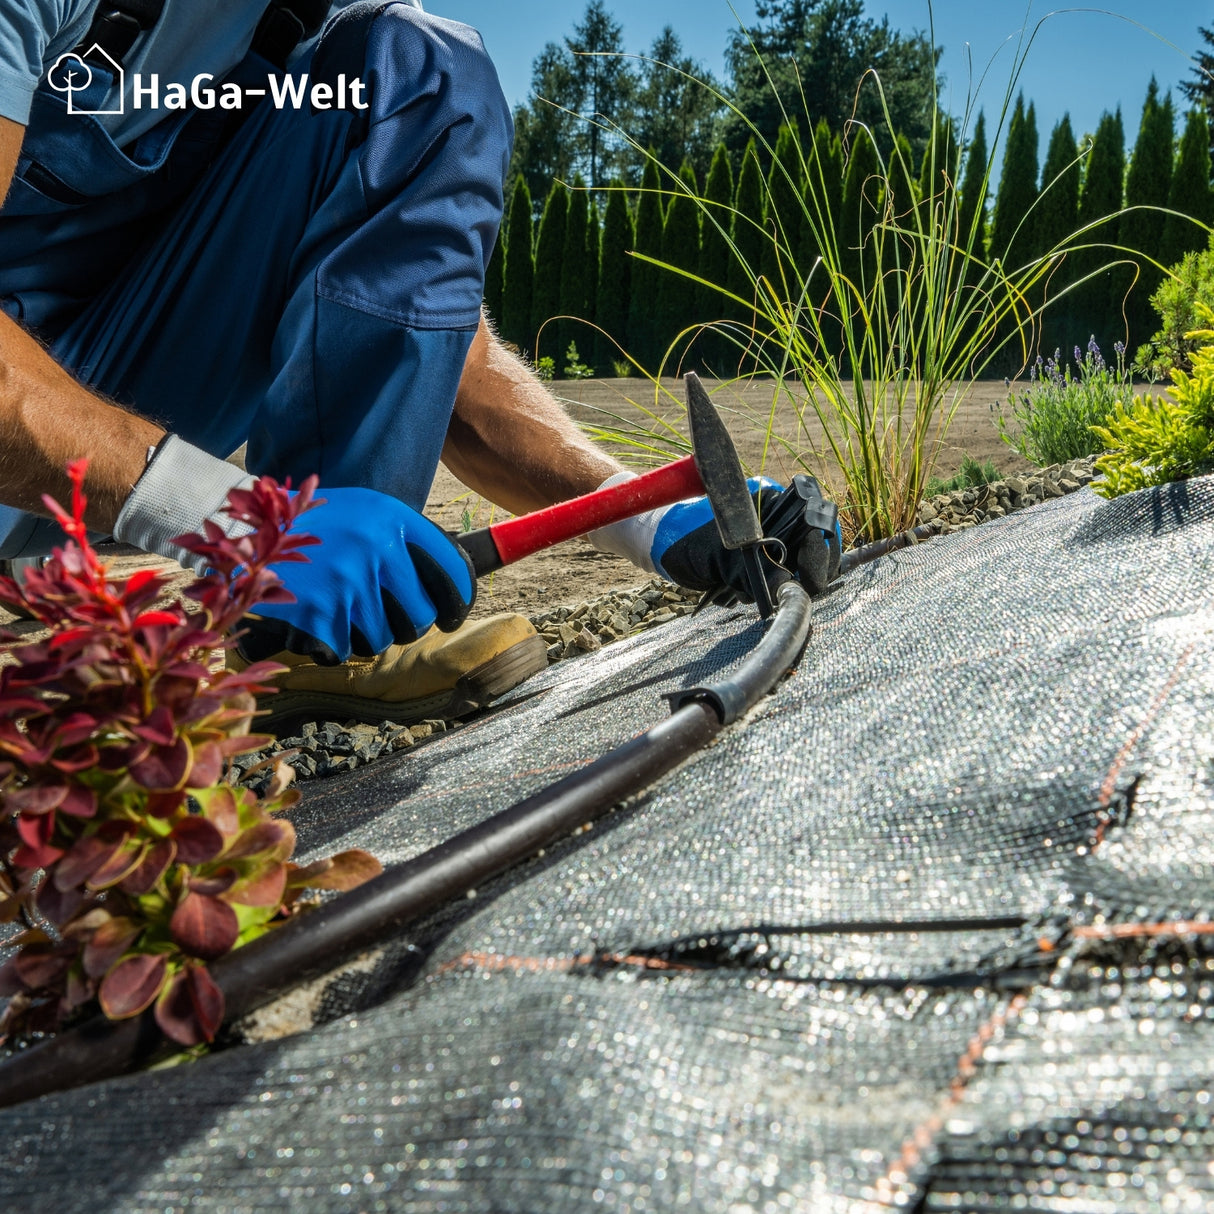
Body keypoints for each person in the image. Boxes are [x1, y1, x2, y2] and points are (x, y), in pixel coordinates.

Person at [0, 0, 837, 727]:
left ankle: (304, 641)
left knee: (421, 74)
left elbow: (417, 337)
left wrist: (644, 517)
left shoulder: (314, 39)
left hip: (89, 418)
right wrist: (231, 519)